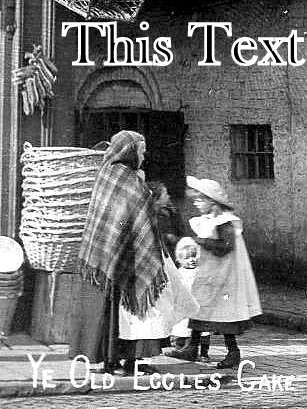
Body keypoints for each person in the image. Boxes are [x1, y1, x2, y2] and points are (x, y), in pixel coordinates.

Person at [67, 130, 167, 376]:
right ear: (130, 151)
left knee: (109, 310)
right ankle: (127, 361)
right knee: (125, 311)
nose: (144, 155)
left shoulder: (106, 174)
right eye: (141, 150)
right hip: (124, 256)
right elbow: (138, 217)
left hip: (103, 254)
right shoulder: (130, 180)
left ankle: (110, 361)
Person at [168, 176, 261, 369]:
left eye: (200, 199)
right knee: (199, 306)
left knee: (224, 314)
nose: (196, 203)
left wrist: (201, 242)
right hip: (210, 274)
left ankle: (233, 351)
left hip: (225, 276)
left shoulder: (225, 221)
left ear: (213, 201)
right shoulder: (206, 221)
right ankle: (192, 346)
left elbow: (225, 246)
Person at [169, 238, 210, 360]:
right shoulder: (179, 273)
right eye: (186, 258)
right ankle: (180, 348)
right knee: (181, 327)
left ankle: (204, 353)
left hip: (200, 306)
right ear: (179, 260)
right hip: (185, 306)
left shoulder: (201, 271)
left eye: (193, 256)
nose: (191, 260)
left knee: (203, 331)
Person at [147, 181, 184, 260]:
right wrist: (166, 237)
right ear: (156, 200)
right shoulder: (148, 218)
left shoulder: (171, 212)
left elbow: (181, 232)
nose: (168, 196)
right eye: (165, 194)